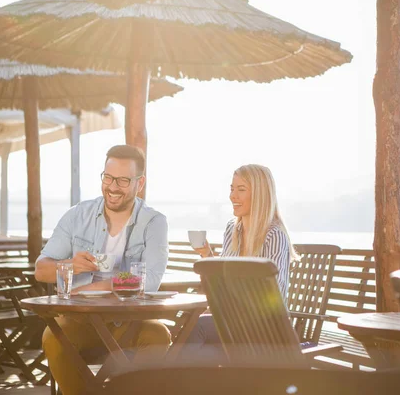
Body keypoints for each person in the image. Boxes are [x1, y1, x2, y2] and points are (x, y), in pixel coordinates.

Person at [35, 145, 171, 395]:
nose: (112, 187)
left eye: (122, 180)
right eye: (107, 177)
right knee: (52, 338)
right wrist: (69, 266)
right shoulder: (77, 215)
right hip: (80, 319)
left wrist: (103, 285)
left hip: (129, 321)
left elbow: (150, 280)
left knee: (158, 335)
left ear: (139, 184)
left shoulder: (153, 222)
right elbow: (41, 270)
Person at [183, 164, 298, 363]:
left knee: (196, 328)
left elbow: (274, 296)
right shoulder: (232, 229)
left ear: (260, 194)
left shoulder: (274, 235)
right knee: (191, 336)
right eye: (232, 188)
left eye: (241, 189)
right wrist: (207, 256)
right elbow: (222, 280)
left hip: (264, 330)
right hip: (234, 324)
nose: (232, 196)